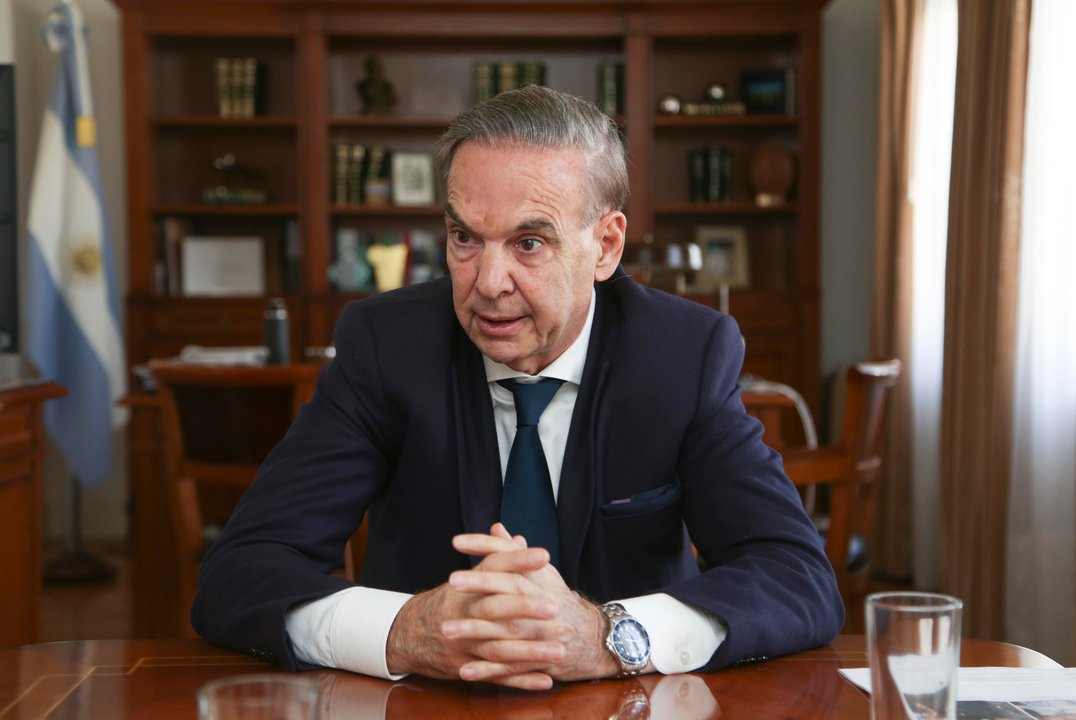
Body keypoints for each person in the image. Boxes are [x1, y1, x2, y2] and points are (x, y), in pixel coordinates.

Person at [192, 85, 843, 690]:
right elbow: (239, 572)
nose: (488, 283)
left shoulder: (681, 355)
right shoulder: (388, 346)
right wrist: (406, 631)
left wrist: (606, 637)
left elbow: (797, 578)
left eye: (529, 242)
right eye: (464, 238)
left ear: (606, 246)